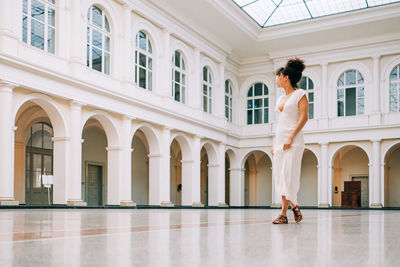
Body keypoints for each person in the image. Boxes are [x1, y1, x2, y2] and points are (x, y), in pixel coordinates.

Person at [271, 58, 308, 224]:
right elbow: (281, 122)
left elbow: (304, 118)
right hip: (280, 140)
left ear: (286, 77)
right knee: (279, 177)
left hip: (294, 140)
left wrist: (291, 137)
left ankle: (283, 214)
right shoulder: (280, 99)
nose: (277, 79)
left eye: (279, 76)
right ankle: (295, 206)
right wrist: (275, 144)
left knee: (288, 176)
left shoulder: (300, 94)